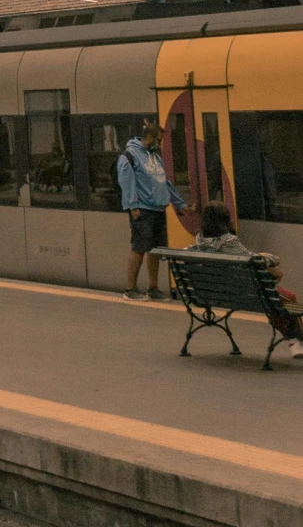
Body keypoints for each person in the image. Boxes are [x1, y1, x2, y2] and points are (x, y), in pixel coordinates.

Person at [191, 203, 303, 359]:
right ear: (225, 220)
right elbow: (253, 260)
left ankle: (293, 340)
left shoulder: (200, 242)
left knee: (274, 302)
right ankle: (296, 337)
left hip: (219, 293)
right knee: (287, 298)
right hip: (246, 292)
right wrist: (271, 258)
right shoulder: (229, 241)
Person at [117, 120, 185, 298]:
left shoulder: (155, 156)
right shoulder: (129, 155)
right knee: (139, 247)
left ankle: (153, 288)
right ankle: (130, 289)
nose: (159, 144)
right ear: (149, 137)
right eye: (158, 139)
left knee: (154, 249)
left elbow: (165, 182)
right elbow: (126, 182)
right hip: (142, 209)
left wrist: (180, 203)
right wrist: (133, 206)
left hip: (158, 208)